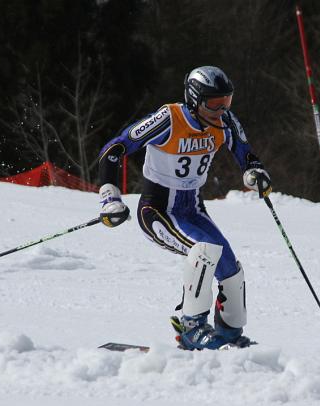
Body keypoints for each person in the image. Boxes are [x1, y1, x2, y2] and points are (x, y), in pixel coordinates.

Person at [95, 66, 272, 350]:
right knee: (203, 253)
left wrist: (254, 171)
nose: (221, 110)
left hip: (193, 208)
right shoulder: (169, 119)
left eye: (226, 101)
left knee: (229, 266)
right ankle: (192, 328)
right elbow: (114, 149)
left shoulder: (225, 122)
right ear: (194, 99)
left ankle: (229, 334)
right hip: (158, 210)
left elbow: (246, 153)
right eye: (214, 103)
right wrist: (109, 196)